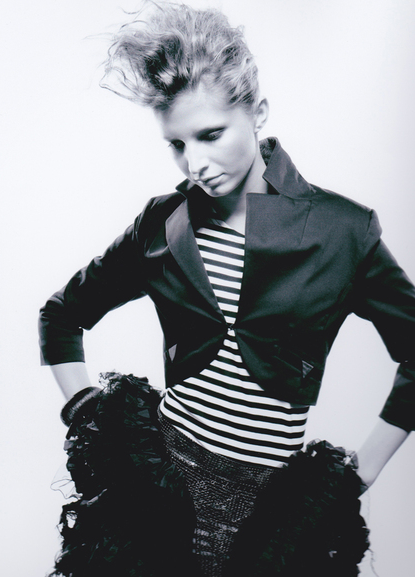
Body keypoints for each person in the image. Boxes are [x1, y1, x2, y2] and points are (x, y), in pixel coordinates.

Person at [39, 2, 415, 576]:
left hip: (269, 524)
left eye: (211, 134)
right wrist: (90, 415)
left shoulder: (344, 232)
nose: (195, 163)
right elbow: (62, 315)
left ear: (257, 112)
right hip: (150, 502)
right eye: (177, 143)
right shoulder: (162, 224)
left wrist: (356, 477)